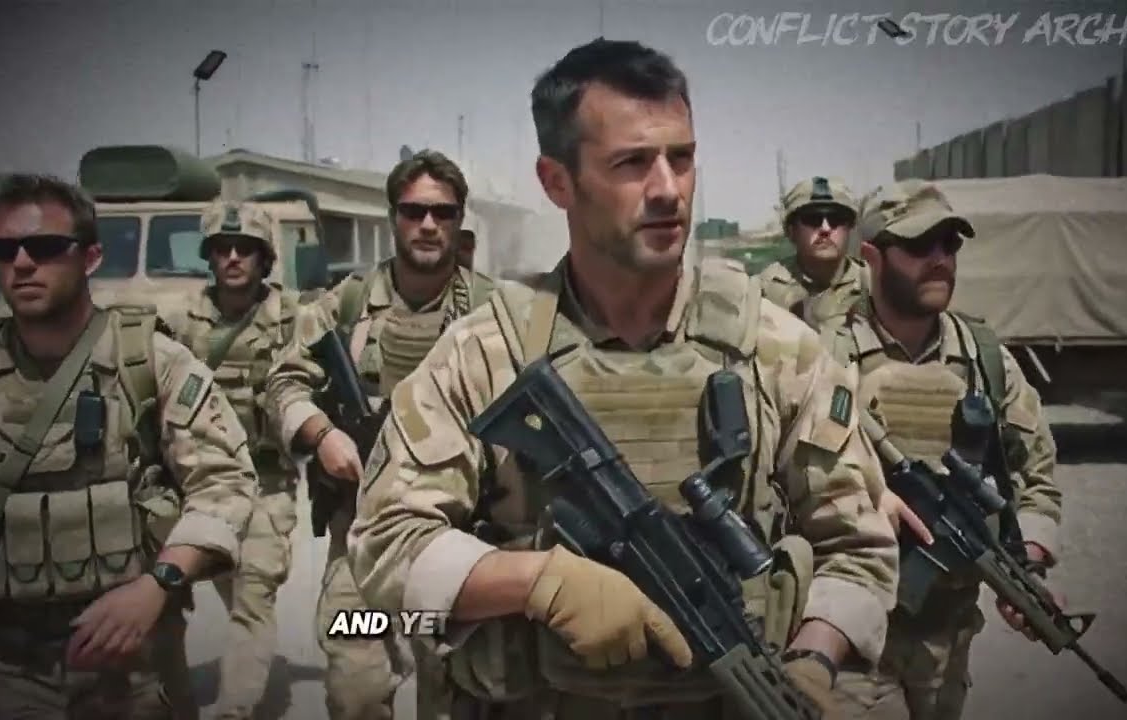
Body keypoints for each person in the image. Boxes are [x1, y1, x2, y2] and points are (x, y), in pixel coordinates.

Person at [349, 38, 898, 720]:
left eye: (682, 158)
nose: (668, 188)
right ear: (557, 181)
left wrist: (814, 661)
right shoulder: (483, 355)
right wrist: (536, 581)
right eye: (632, 163)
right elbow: (385, 543)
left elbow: (859, 546)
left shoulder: (777, 351)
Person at [0, 173, 257, 719]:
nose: (22, 264)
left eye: (44, 247)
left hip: (135, 665)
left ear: (89, 258)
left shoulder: (149, 361)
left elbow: (225, 483)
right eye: (5, 250)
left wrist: (159, 584)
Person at [264, 149, 494, 720]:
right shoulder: (346, 303)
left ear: (459, 220)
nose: (428, 225)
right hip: (364, 541)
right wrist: (322, 435)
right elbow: (284, 382)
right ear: (394, 217)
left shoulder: (494, 312)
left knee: (452, 696)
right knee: (357, 688)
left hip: (460, 542)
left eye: (443, 213)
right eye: (414, 211)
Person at [821, 179, 1063, 720]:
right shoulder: (819, 355)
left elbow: (1036, 475)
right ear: (871, 257)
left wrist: (1025, 564)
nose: (939, 259)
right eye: (918, 244)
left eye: (949, 244)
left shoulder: (985, 359)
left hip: (948, 640)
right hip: (852, 638)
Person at [160, 197, 304, 720]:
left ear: (265, 258)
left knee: (252, 595)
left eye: (246, 248)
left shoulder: (295, 319)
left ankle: (234, 710)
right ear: (210, 256)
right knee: (168, 595)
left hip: (266, 484)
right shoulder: (179, 321)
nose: (234, 258)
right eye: (223, 248)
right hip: (197, 485)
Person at [760, 176, 868, 341]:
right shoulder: (764, 290)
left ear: (849, 228)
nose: (825, 228)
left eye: (836, 219)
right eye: (812, 219)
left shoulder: (875, 286)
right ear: (791, 231)